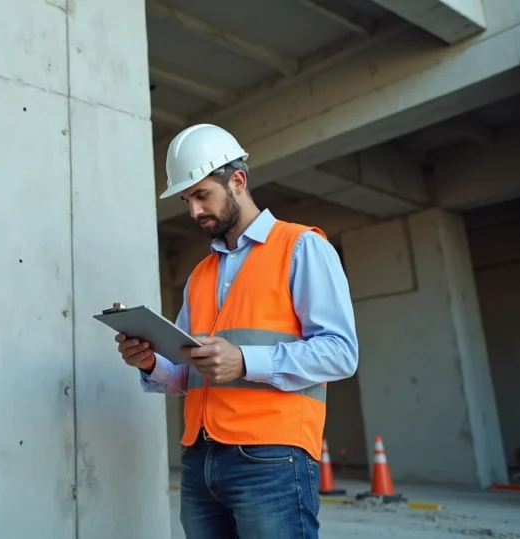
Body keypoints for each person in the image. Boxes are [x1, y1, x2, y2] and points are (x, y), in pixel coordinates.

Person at [116, 124, 359, 539]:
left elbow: (340, 352)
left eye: (201, 195)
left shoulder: (301, 247)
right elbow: (186, 373)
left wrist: (244, 360)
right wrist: (151, 361)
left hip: (272, 458)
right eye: (186, 199)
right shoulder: (201, 274)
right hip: (200, 459)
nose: (193, 211)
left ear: (238, 181)